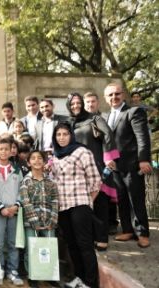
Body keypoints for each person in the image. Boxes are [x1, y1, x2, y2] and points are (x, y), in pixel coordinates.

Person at [66, 92, 119, 250]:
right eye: (72, 104)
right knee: (84, 206)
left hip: (96, 166)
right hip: (76, 170)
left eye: (78, 103)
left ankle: (102, 238)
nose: (76, 106)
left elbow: (108, 134)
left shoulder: (94, 118)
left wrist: (109, 158)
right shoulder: (68, 123)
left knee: (100, 202)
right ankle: (90, 238)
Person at [51, 123, 101, 288]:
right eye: (58, 134)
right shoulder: (55, 156)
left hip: (80, 204)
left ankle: (90, 282)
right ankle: (79, 278)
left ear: (71, 135)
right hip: (63, 207)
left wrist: (87, 202)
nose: (62, 137)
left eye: (65, 134)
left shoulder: (82, 152)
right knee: (71, 244)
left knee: (84, 243)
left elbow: (95, 180)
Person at [103, 83, 152, 248]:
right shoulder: (107, 116)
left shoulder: (134, 111)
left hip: (132, 164)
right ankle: (127, 230)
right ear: (106, 98)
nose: (114, 97)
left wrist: (144, 160)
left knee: (136, 199)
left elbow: (142, 137)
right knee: (122, 200)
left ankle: (143, 233)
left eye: (117, 94)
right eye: (110, 95)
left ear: (123, 95)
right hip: (115, 167)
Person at [0, 139, 23, 286]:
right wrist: (1, 207)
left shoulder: (17, 170)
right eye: (1, 149)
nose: (4, 151)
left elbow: (22, 189)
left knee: (13, 242)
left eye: (7, 149)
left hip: (14, 211)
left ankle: (13, 271)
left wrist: (16, 205)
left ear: (11, 151)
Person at [19, 150, 59, 288]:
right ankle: (32, 275)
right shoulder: (26, 181)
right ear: (28, 162)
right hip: (31, 223)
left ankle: (50, 275)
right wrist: (34, 221)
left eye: (40, 158)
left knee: (49, 248)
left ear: (44, 161)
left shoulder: (50, 181)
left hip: (48, 222)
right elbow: (26, 202)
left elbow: (55, 201)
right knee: (31, 248)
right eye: (33, 158)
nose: (37, 161)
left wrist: (52, 221)